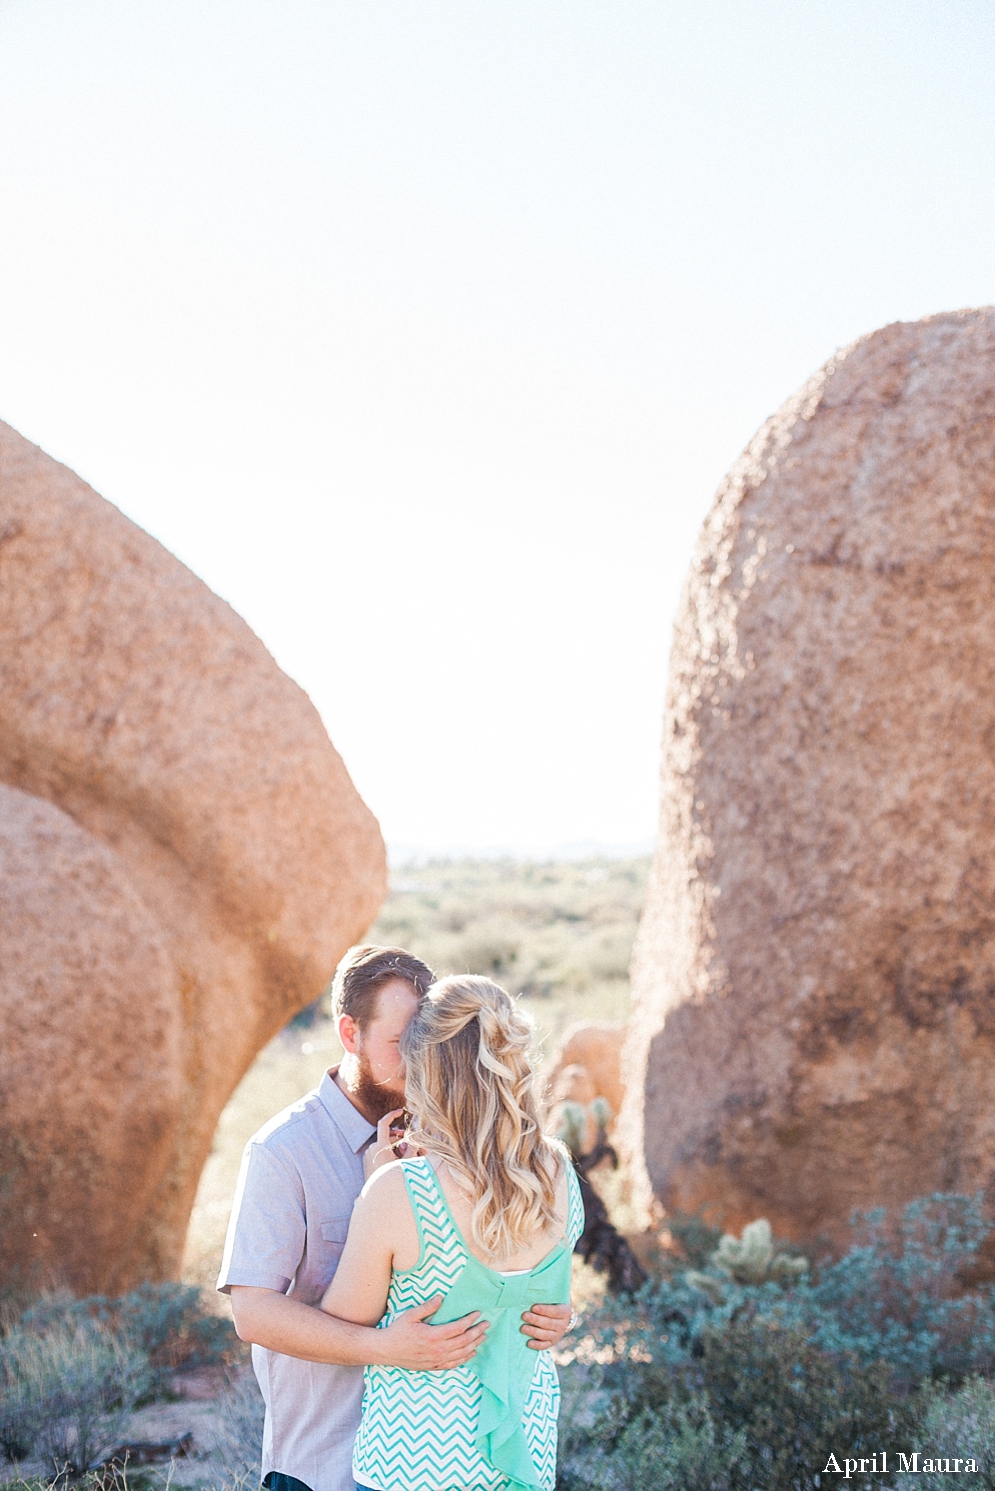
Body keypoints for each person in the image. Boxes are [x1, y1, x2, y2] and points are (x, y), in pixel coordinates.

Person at [218, 946, 573, 1491]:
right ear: (349, 1034)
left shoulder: (469, 1150)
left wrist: (546, 1310)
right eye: (400, 1044)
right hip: (323, 1461)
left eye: (428, 1044)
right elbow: (253, 1315)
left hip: (444, 1460)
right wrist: (381, 1348)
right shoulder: (283, 1150)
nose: (418, 1061)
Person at [321, 974, 585, 1491]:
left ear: (428, 1072)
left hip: (412, 1469)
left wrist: (374, 1183)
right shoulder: (558, 1173)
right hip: (524, 1460)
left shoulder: (398, 1191)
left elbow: (342, 1327)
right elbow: (544, 1306)